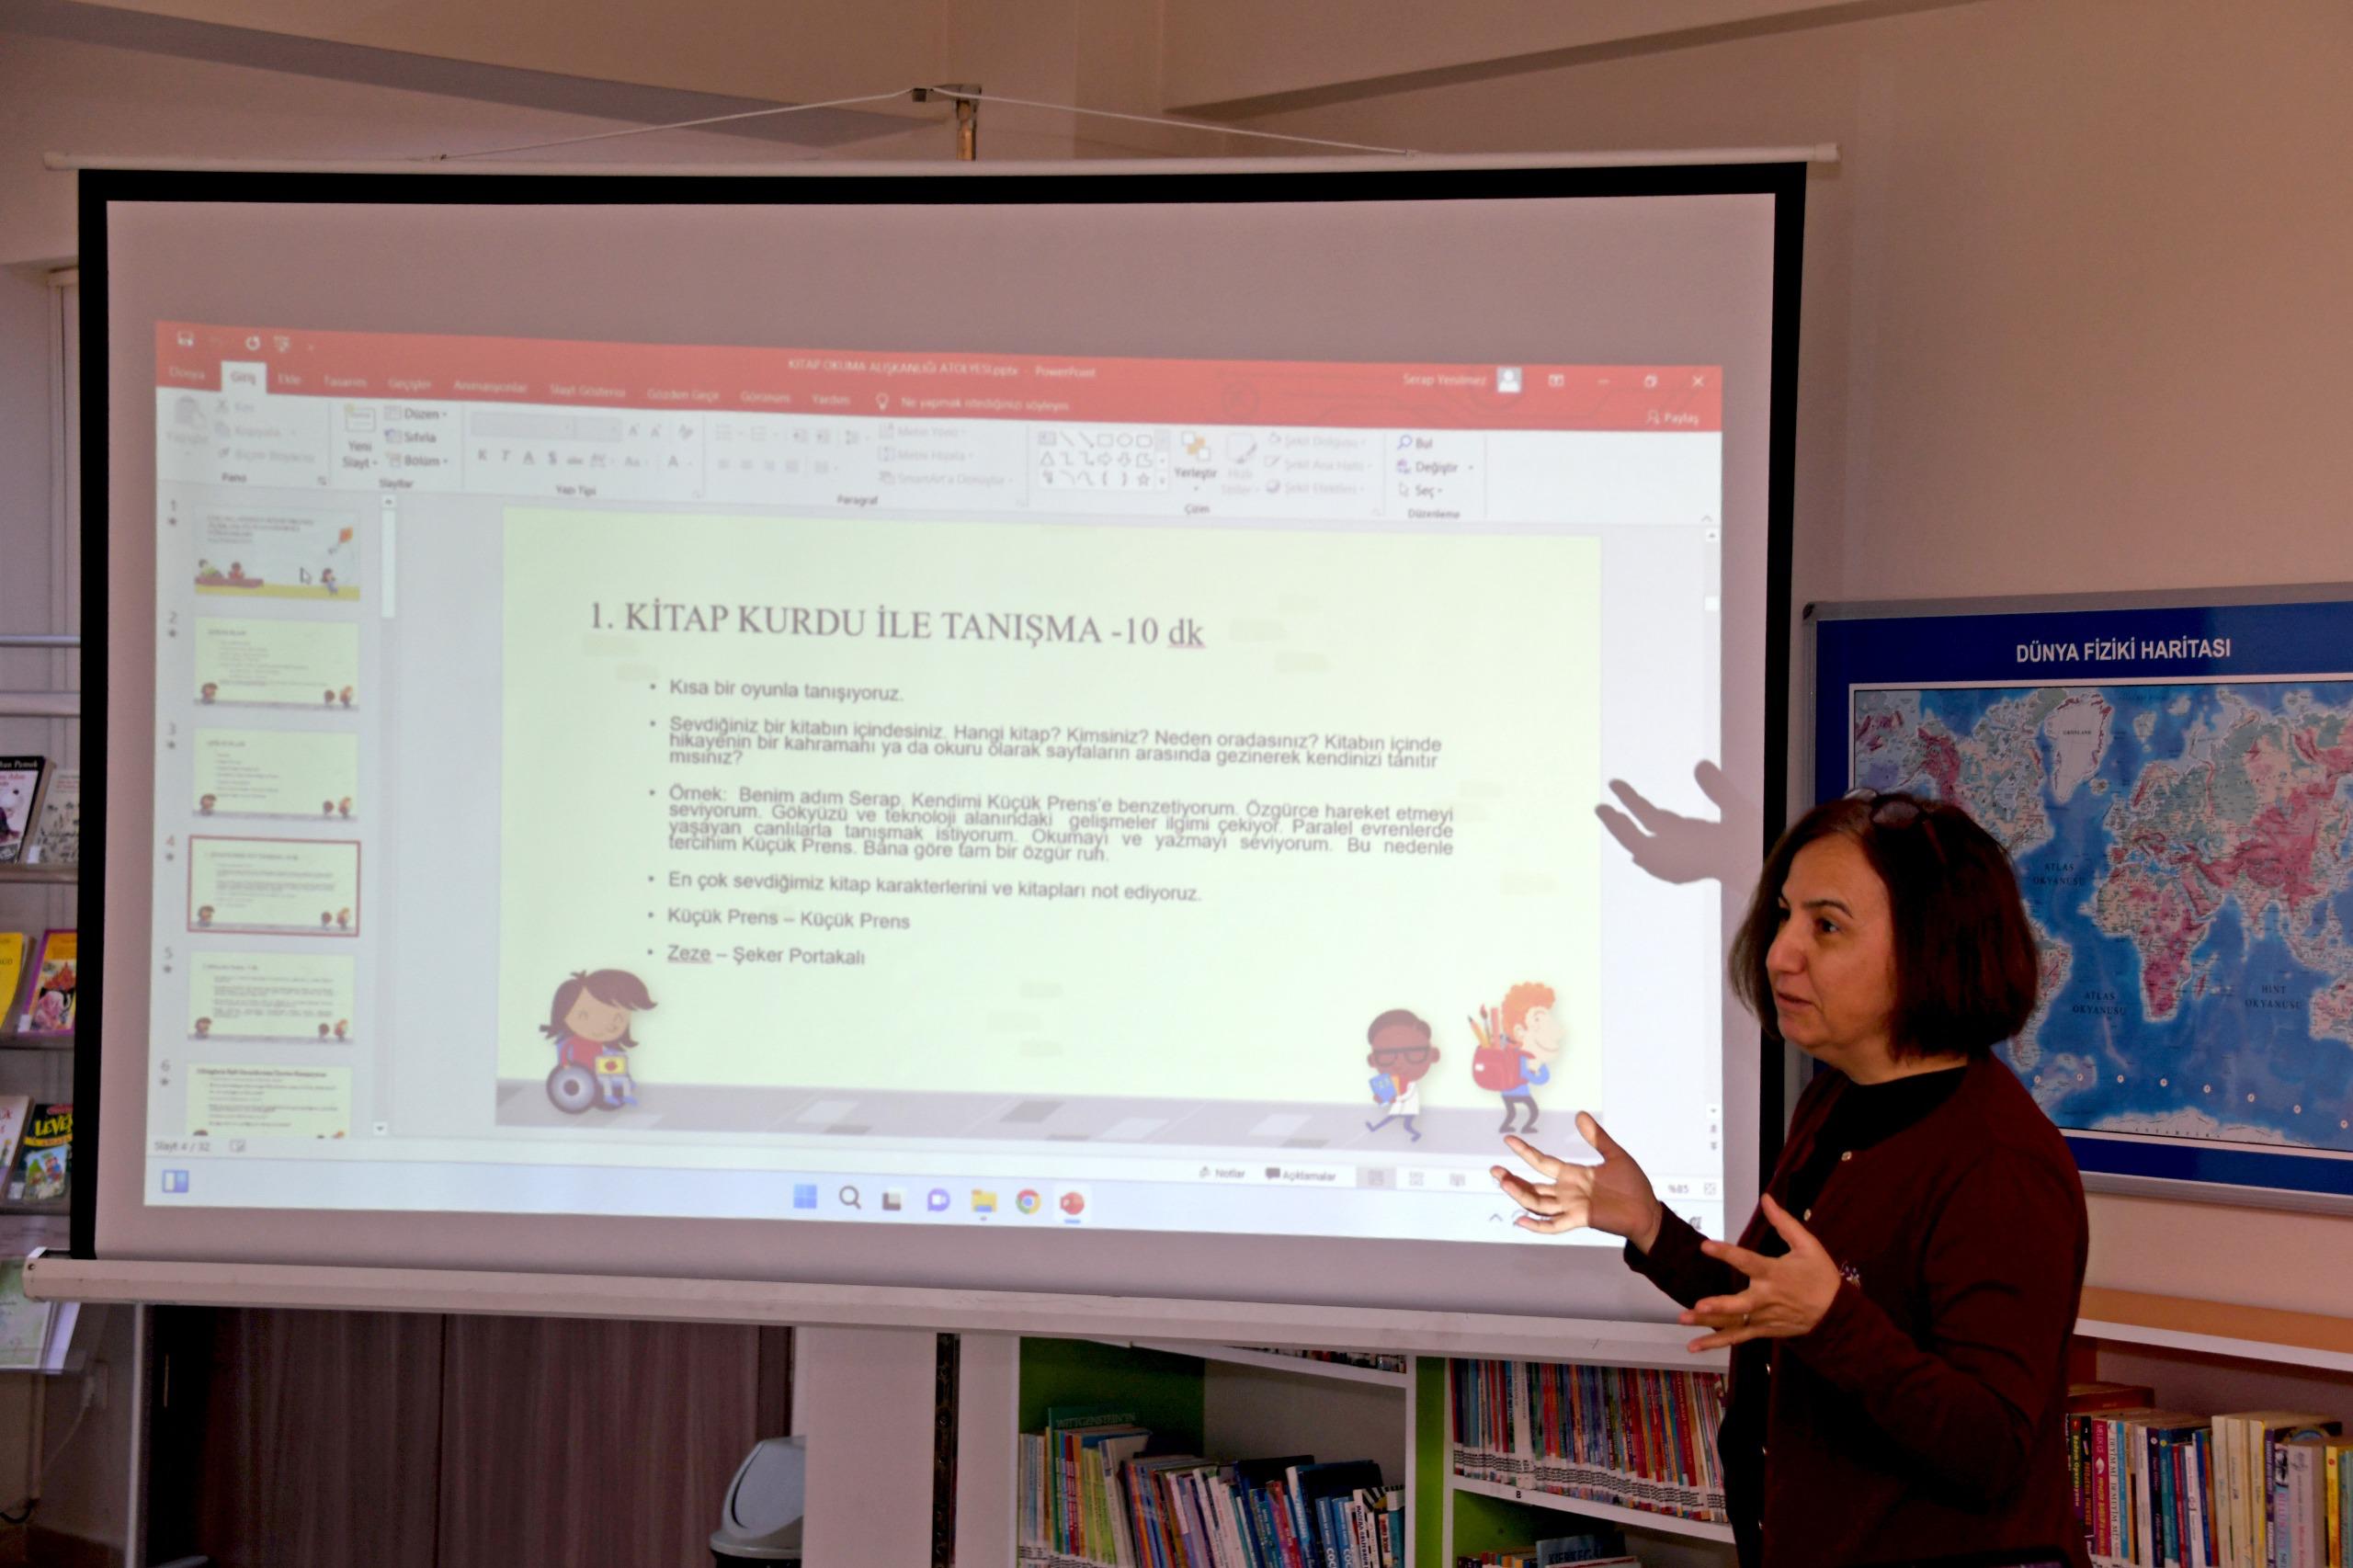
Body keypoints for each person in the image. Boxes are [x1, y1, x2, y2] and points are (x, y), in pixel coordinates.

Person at [1493, 792, 2087, 1568]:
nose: (1781, 953)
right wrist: (1651, 1227)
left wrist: (1834, 1319)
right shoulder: (1837, 1098)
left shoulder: (1999, 1162)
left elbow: (1993, 1449)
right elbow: (1777, 1303)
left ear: (1930, 947)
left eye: (1826, 926)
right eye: (1784, 916)